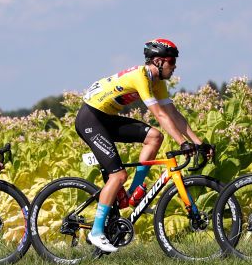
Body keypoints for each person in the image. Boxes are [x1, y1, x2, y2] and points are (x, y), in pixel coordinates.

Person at [75, 38, 213, 253]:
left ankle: (133, 193)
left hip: (107, 119)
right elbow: (159, 114)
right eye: (171, 61)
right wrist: (182, 143)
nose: (174, 66)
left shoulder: (157, 82)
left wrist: (198, 143)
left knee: (154, 137)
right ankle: (96, 231)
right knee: (118, 175)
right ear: (158, 61)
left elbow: (173, 114)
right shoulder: (141, 77)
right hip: (91, 119)